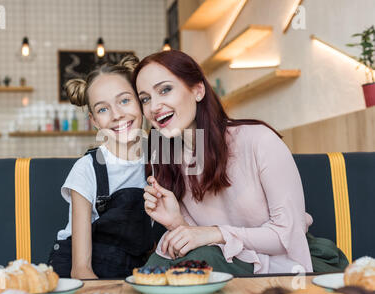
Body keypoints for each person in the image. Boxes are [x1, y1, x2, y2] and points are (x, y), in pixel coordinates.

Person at [132, 50, 349, 274]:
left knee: (201, 262)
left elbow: (287, 236)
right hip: (227, 260)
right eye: (145, 99)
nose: (154, 107)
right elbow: (201, 242)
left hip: (295, 261)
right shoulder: (165, 159)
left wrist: (216, 233)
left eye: (165, 90)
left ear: (197, 90)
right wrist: (177, 223)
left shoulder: (258, 140)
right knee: (159, 262)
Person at [47, 55, 164, 279]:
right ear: (93, 121)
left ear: (141, 102)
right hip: (81, 273)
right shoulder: (87, 169)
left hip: (131, 271)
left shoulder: (161, 158)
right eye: (102, 109)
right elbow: (81, 269)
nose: (117, 115)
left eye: (124, 100)